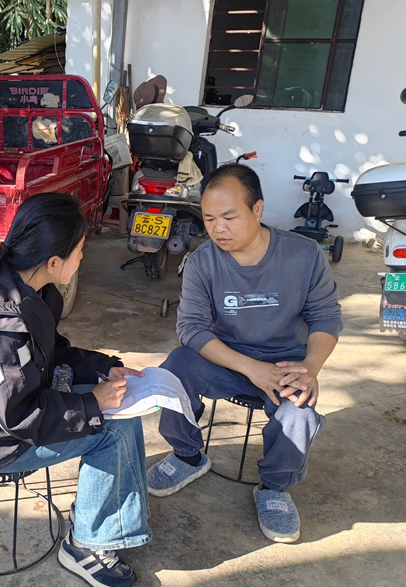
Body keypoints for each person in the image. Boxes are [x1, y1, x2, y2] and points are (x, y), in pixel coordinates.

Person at [0, 193, 151, 587]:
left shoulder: (28, 285)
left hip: (1, 411)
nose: (82, 257)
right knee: (112, 431)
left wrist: (102, 368)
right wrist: (92, 403)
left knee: (123, 409)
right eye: (80, 250)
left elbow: (52, 353)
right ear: (53, 261)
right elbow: (18, 415)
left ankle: (99, 516)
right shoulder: (0, 324)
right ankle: (85, 545)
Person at [146, 164, 342, 543]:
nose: (218, 228)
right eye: (209, 219)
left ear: (257, 209)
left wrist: (310, 367)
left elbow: (326, 316)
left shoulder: (303, 255)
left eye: (229, 216)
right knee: (174, 369)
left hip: (285, 365)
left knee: (300, 412)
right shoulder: (202, 261)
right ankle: (187, 455)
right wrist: (250, 368)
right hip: (226, 360)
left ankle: (275, 488)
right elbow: (191, 328)